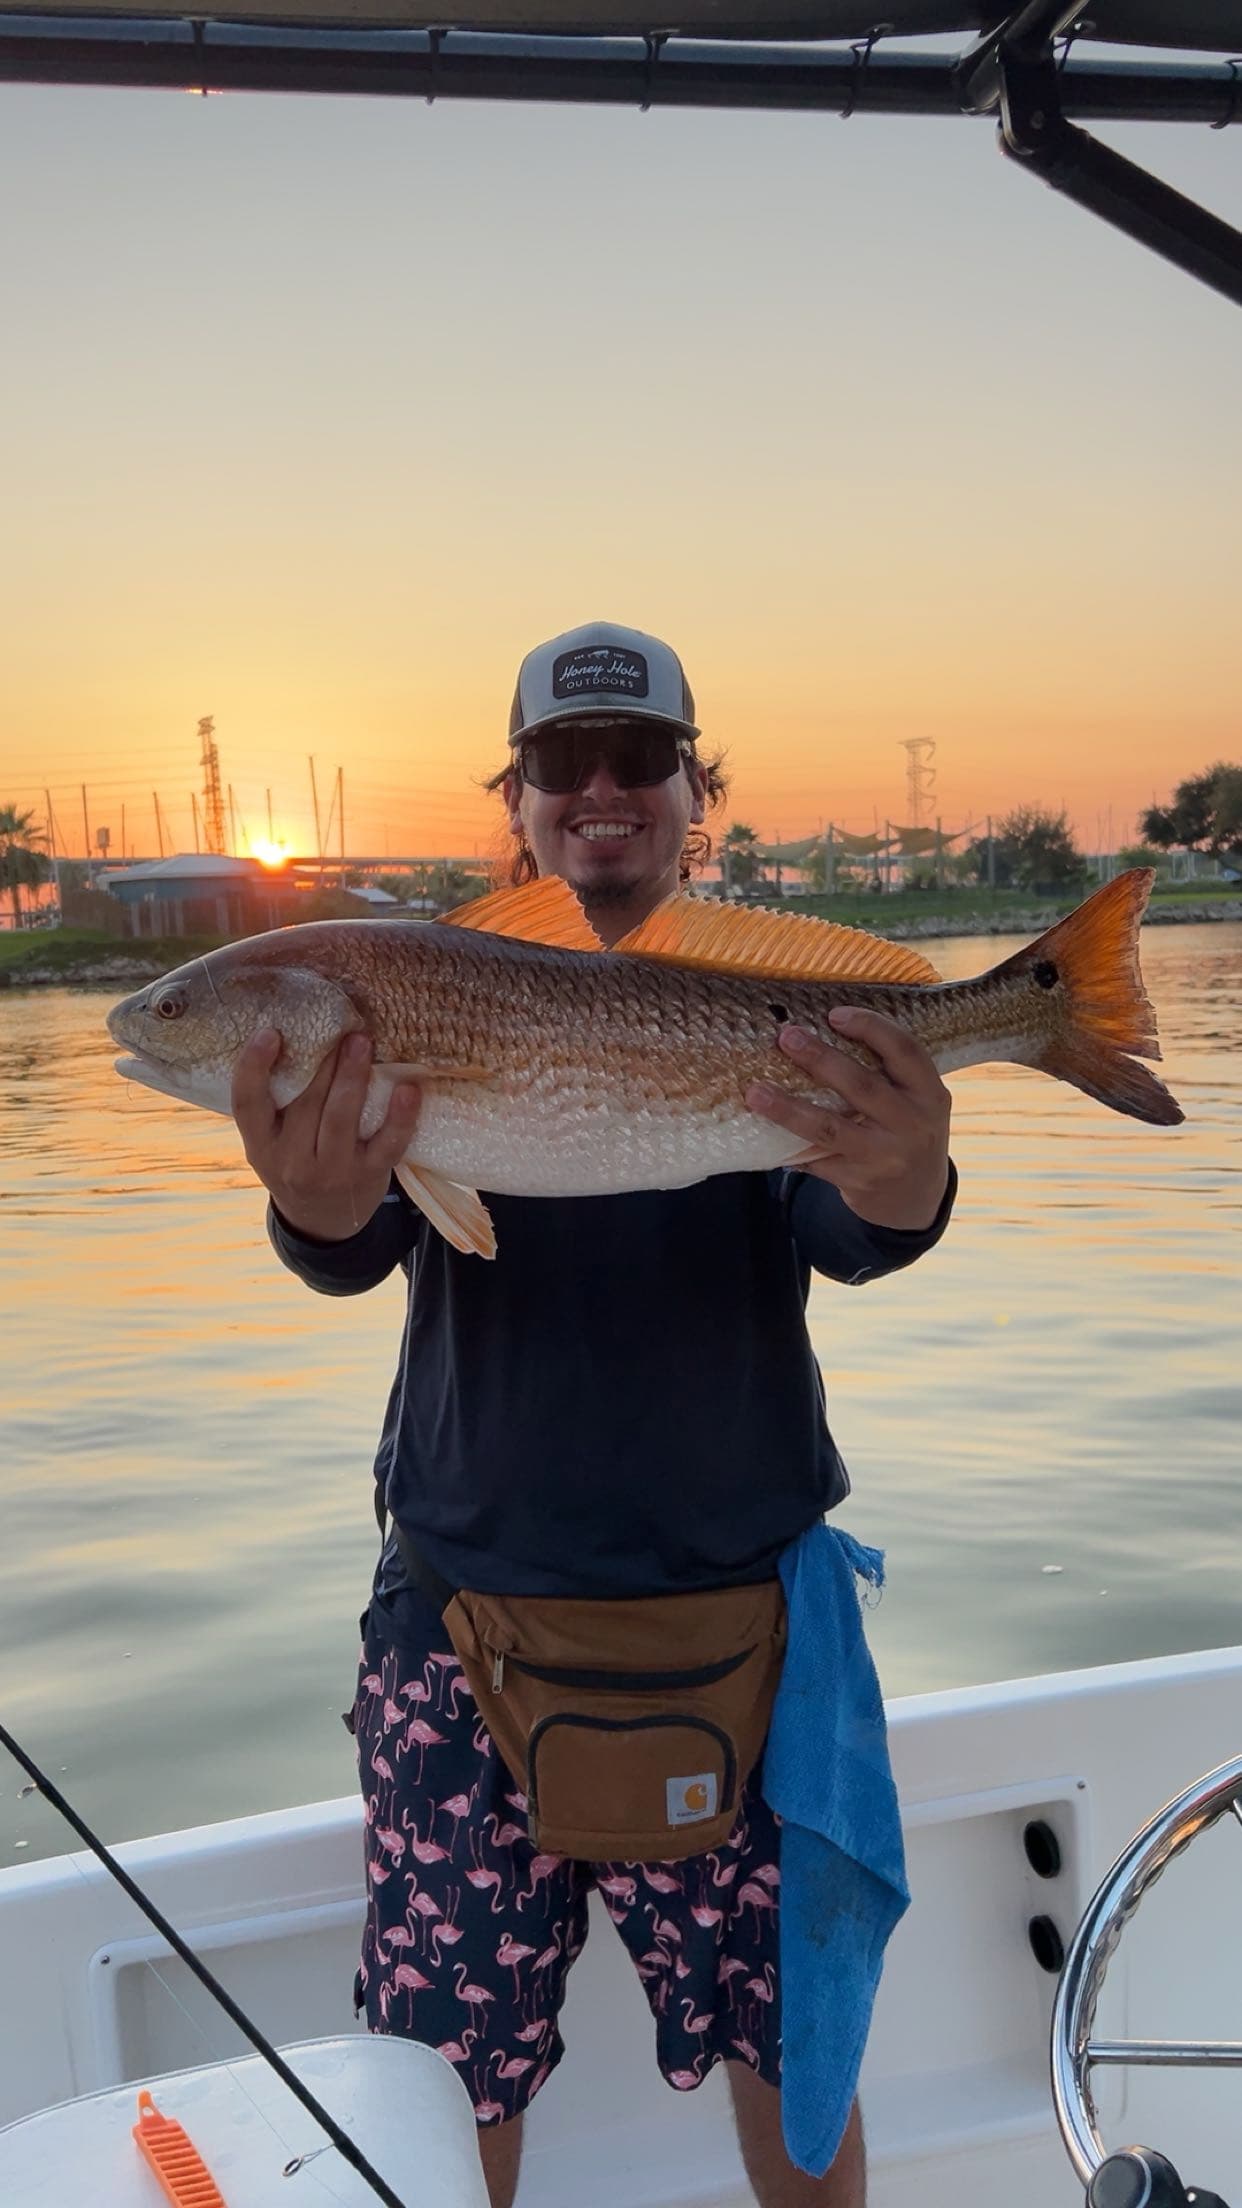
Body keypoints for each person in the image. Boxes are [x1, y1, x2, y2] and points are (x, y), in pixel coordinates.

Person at [233, 621, 956, 2208]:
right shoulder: (416, 985)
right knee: (440, 2086)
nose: (603, 789)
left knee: (799, 2065)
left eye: (642, 759)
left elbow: (854, 1229)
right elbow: (354, 1240)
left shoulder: (777, 1005)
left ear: (699, 793)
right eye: (565, 761)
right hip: (459, 1613)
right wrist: (312, 1205)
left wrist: (908, 1175)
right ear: (519, 799)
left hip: (748, 1614)